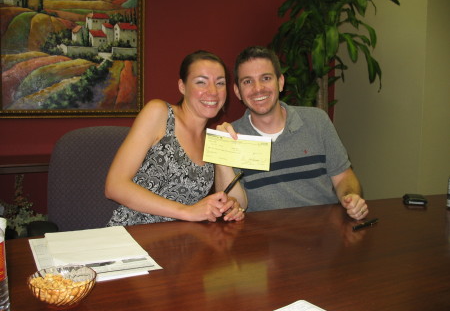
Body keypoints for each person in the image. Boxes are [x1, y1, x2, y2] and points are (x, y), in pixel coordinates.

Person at [214, 46, 368, 220]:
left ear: (280, 82)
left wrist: (350, 196)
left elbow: (343, 177)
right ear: (237, 92)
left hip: (323, 233)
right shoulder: (233, 136)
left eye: (266, 78)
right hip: (265, 240)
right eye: (248, 81)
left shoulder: (317, 121)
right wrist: (222, 152)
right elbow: (234, 206)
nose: (258, 88)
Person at [106, 50, 245, 226]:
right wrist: (186, 211)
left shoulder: (210, 140)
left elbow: (238, 201)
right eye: (201, 82)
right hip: (132, 232)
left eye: (220, 83)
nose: (213, 91)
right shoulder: (160, 113)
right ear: (182, 86)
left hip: (178, 241)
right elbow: (114, 186)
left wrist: (230, 205)